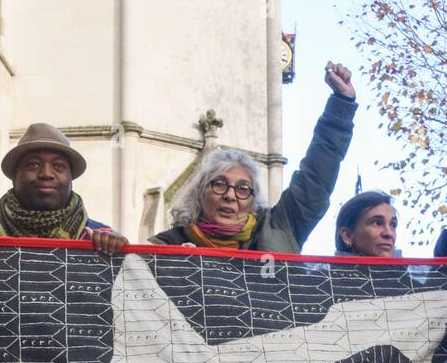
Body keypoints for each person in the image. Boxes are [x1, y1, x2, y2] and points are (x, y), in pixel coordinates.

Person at [152, 62, 357, 252]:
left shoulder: (282, 227)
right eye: (219, 184)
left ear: (253, 201)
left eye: (242, 189)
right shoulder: (168, 245)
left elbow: (316, 177)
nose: (230, 196)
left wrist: (342, 103)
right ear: (199, 193)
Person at [0, 124, 127, 253]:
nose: (46, 173)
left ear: (71, 178)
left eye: (59, 166)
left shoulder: (100, 238)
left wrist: (121, 253)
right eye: (33, 165)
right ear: (14, 177)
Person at [333, 190, 398, 256]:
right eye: (377, 223)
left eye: (393, 225)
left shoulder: (407, 266)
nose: (389, 233)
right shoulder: (323, 266)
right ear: (347, 235)